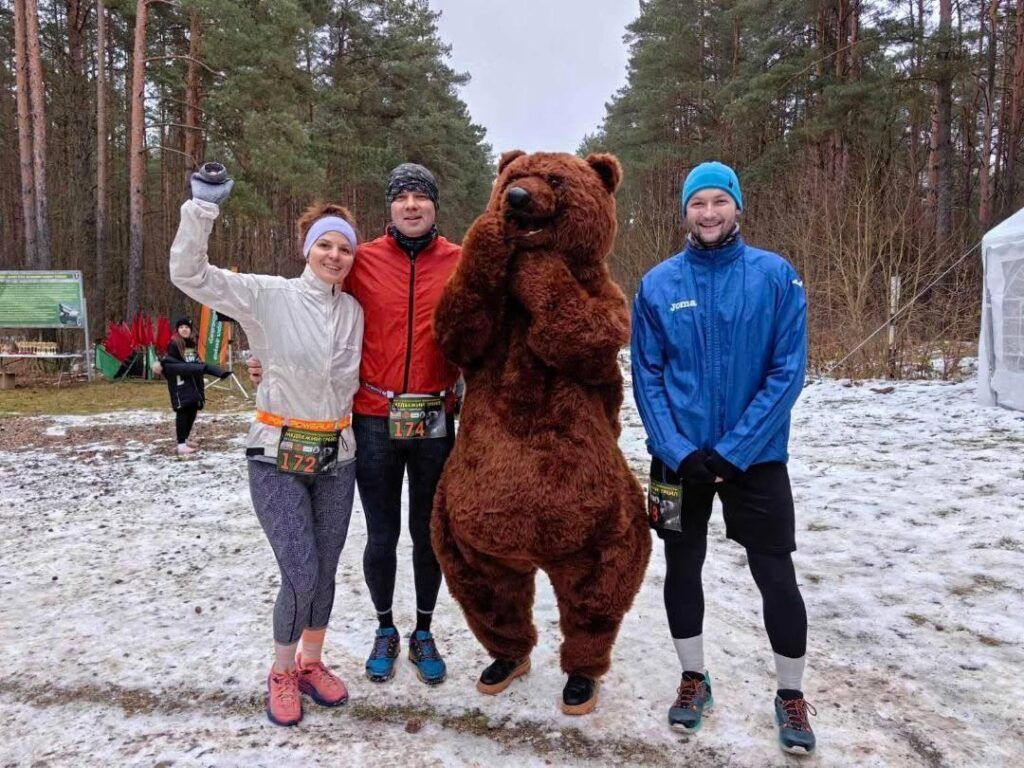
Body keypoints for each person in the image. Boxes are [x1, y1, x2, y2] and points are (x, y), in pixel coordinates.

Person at [249, 163, 460, 686]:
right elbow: (312, 312)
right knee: (382, 535)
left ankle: (424, 630)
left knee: (429, 534)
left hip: (434, 416)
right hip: (372, 418)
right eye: (401, 196)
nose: (412, 205)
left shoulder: (460, 261)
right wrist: (268, 358)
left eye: (421, 197)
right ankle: (385, 628)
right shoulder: (360, 259)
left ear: (435, 205)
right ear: (389, 206)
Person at [631, 161, 816, 754]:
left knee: (776, 575)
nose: (708, 213)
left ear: (737, 205)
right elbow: (647, 375)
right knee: (682, 569)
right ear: (683, 212)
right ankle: (693, 678)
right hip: (678, 460)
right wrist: (675, 449)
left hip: (755, 459)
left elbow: (788, 371)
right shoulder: (658, 284)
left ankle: (791, 694)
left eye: (718, 201)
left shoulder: (775, 277)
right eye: (696, 204)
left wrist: (737, 450)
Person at [169, 166, 364, 727]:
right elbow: (189, 272)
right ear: (307, 250)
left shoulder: (354, 312)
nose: (333, 255)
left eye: (343, 248)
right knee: (299, 571)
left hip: (337, 457)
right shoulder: (267, 296)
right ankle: (281, 671)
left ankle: (312, 663)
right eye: (323, 245)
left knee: (325, 573)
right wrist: (202, 208)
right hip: (276, 455)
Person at [159, 317, 228, 455]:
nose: (184, 329)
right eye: (181, 327)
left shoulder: (191, 344)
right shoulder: (174, 344)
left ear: (190, 330)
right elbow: (172, 366)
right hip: (181, 383)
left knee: (192, 410)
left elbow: (195, 362)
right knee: (183, 412)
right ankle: (181, 444)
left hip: (193, 382)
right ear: (178, 330)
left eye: (187, 327)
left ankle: (185, 438)